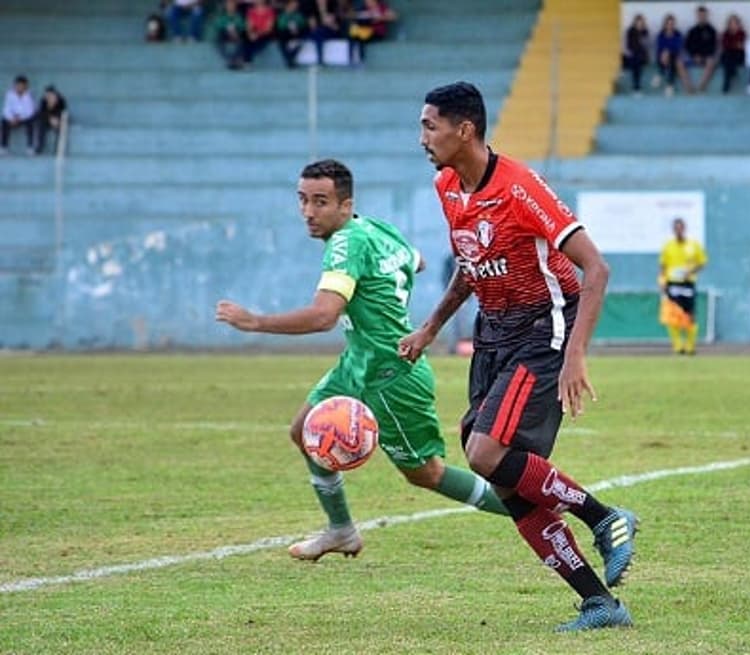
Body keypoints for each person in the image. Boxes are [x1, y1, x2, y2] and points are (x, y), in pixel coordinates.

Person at [401, 82, 637, 632]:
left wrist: (576, 354)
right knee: (506, 481)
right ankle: (600, 603)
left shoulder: (520, 187)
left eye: (429, 126)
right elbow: (471, 261)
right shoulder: (447, 186)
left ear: (465, 130)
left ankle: (605, 518)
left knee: (485, 453)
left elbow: (595, 269)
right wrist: (431, 326)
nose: (422, 138)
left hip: (543, 328)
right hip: (493, 333)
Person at [215, 159, 508, 563]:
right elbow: (416, 261)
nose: (308, 211)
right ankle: (341, 531)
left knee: (427, 474)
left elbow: (323, 316)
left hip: (391, 371)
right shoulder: (378, 229)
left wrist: (255, 322)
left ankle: (542, 510)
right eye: (302, 200)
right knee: (304, 430)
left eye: (320, 202)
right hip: (358, 361)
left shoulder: (346, 243)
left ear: (345, 205)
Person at [658, 218, 707, 355]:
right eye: (676, 228)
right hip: (672, 283)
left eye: (681, 228)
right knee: (673, 316)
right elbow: (663, 266)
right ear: (673, 230)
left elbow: (702, 262)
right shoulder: (668, 246)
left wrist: (691, 271)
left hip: (687, 283)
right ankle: (678, 346)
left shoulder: (693, 245)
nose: (679, 230)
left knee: (690, 316)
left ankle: (690, 347)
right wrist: (662, 281)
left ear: (684, 229)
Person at [684, 5, 718, 94]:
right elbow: (687, 46)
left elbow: (713, 47)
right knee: (678, 61)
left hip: (705, 58)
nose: (701, 17)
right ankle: (689, 87)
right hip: (693, 58)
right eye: (699, 15)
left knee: (711, 61)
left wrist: (702, 56)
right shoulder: (692, 31)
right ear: (697, 16)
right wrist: (694, 55)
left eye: (703, 15)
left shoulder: (711, 31)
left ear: (706, 16)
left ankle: (701, 86)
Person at [654, 14, 691, 96]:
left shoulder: (678, 34)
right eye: (668, 24)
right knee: (666, 56)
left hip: (674, 56)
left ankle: (660, 74)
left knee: (673, 59)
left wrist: (668, 52)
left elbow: (678, 48)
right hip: (662, 57)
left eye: (672, 24)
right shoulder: (660, 35)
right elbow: (659, 48)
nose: (670, 26)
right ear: (665, 24)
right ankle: (669, 85)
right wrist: (664, 53)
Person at [1, 75, 36, 156]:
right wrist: (11, 118)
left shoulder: (29, 95)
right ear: (15, 85)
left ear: (25, 86)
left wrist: (19, 118)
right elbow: (6, 109)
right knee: (3, 121)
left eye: (21, 86)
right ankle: (3, 147)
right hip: (12, 118)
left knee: (31, 121)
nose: (19, 87)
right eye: (18, 85)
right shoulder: (9, 94)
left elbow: (30, 111)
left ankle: (30, 147)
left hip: (24, 117)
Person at [213, 0, 247, 69]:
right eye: (228, 5)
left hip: (236, 34)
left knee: (243, 40)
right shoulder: (222, 16)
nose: (230, 7)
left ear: (235, 7)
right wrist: (228, 28)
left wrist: (234, 31)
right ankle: (231, 60)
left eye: (232, 5)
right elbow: (218, 25)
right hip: (224, 34)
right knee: (218, 39)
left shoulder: (238, 16)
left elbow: (242, 26)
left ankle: (234, 59)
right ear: (226, 6)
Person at [34, 85, 67, 155]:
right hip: (47, 120)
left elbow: (64, 113)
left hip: (58, 120)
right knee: (41, 126)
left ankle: (58, 149)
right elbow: (41, 113)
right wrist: (49, 109)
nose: (49, 97)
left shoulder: (61, 100)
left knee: (61, 128)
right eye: (47, 95)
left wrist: (58, 120)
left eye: (51, 95)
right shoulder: (43, 101)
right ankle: (40, 147)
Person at [622, 14, 650, 95]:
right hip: (633, 54)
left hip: (641, 56)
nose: (640, 24)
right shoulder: (630, 31)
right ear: (635, 22)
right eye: (638, 22)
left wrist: (640, 38)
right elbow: (628, 45)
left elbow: (645, 46)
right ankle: (624, 69)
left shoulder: (645, 32)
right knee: (625, 56)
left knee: (636, 61)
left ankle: (637, 88)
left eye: (641, 22)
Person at [276, 0, 308, 68]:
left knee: (300, 41)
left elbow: (303, 25)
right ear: (288, 6)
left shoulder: (298, 15)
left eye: (295, 5)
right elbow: (280, 26)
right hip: (285, 34)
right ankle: (290, 60)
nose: (294, 7)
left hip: (297, 34)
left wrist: (297, 29)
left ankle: (290, 60)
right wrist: (289, 28)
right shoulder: (282, 15)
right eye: (292, 5)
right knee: (281, 41)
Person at [719, 14, 746, 94]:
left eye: (735, 23)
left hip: (738, 56)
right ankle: (732, 73)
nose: (733, 25)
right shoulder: (725, 34)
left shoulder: (742, 33)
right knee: (727, 56)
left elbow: (741, 46)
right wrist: (734, 45)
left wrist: (733, 45)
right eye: (731, 23)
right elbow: (725, 45)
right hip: (728, 55)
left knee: (730, 56)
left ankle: (726, 84)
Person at [243, 0, 276, 66]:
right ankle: (246, 61)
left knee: (257, 42)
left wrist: (257, 34)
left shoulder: (270, 11)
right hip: (254, 32)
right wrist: (250, 33)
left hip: (265, 33)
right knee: (246, 38)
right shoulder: (251, 11)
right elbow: (249, 25)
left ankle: (245, 60)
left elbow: (268, 28)